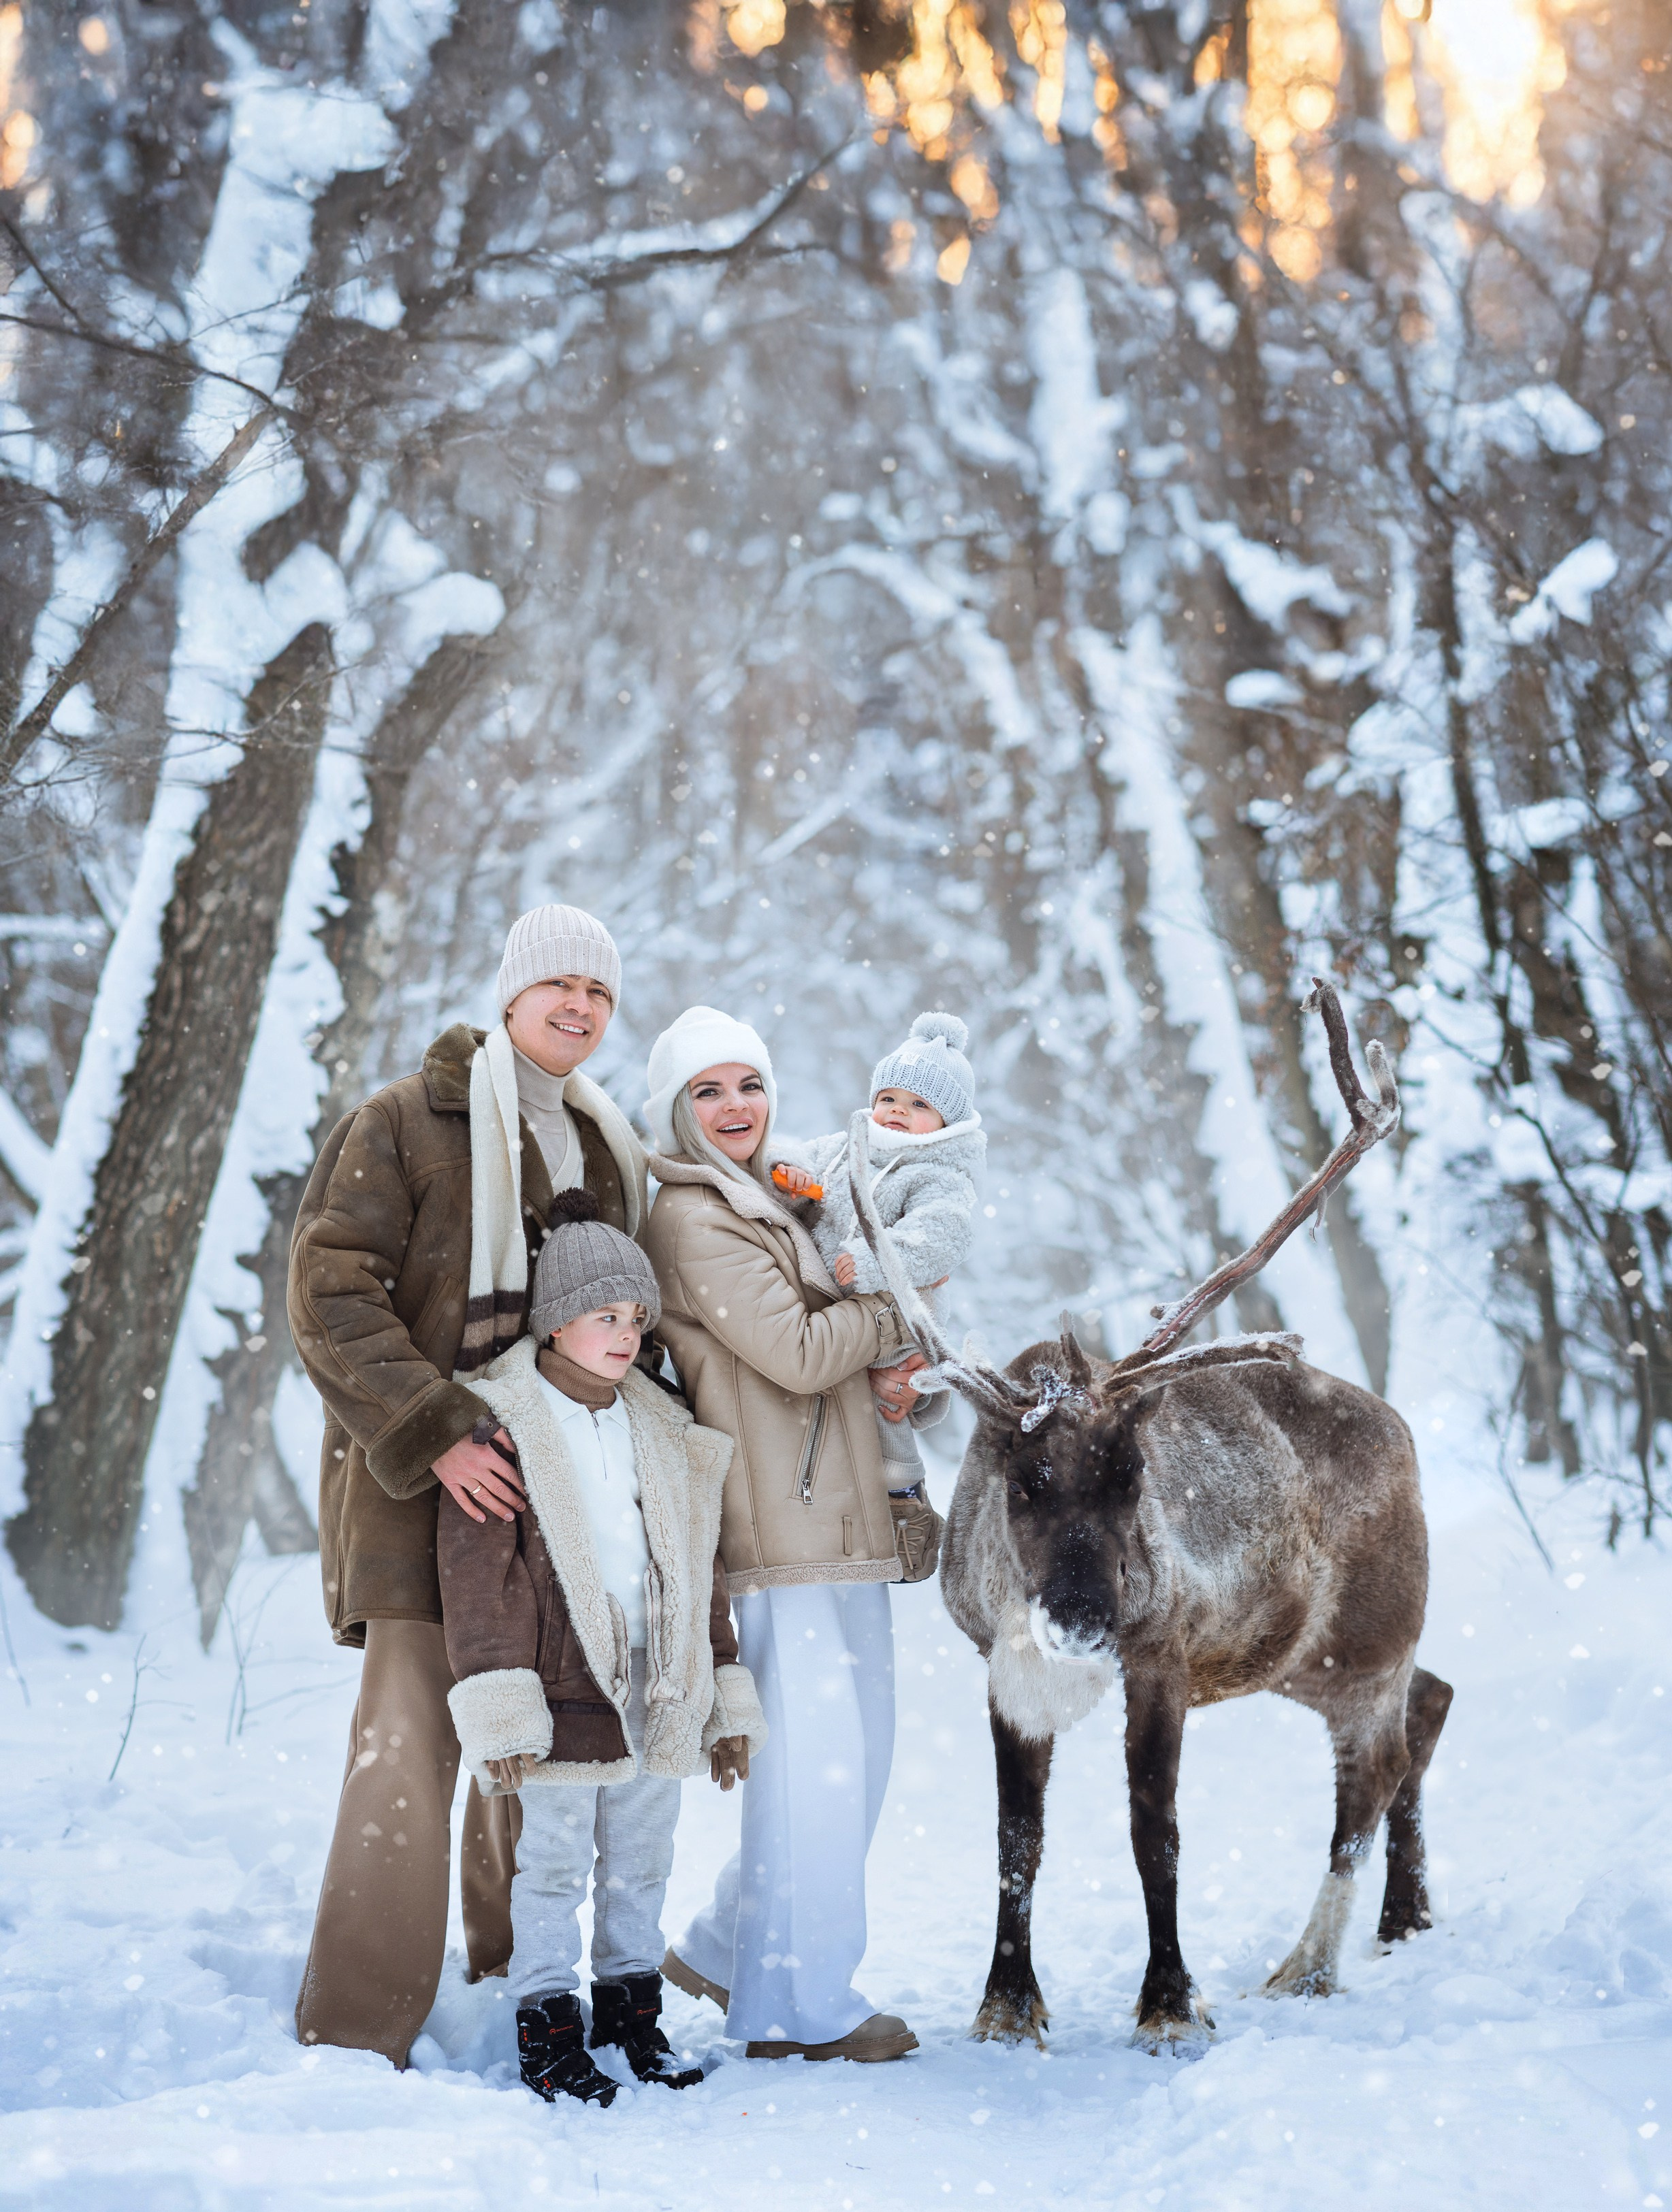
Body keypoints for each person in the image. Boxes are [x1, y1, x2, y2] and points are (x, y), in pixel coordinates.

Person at [287, 904, 647, 2067]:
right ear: (509, 995)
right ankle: (356, 2026)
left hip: (552, 1504)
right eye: (559, 985)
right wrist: (438, 1429)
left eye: (598, 990)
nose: (579, 1007)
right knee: (407, 1752)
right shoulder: (404, 1120)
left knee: (528, 1743)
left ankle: (513, 1980)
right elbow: (330, 1292)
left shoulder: (605, 1144)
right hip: (416, 1491)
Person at [640, 1007, 939, 2064]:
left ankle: (732, 1943)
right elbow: (800, 1350)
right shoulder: (691, 1214)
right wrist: (902, 1312)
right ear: (676, 1107)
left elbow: (843, 1365)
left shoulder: (777, 1195)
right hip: (776, 1520)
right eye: (709, 1091)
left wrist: (899, 1380)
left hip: (837, 1510)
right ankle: (796, 2006)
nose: (734, 1108)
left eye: (750, 1086)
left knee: (858, 1760)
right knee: (814, 1767)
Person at [440, 1192, 766, 2107]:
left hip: (654, 1684)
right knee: (550, 1864)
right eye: (603, 1318)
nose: (624, 1336)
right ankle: (548, 2023)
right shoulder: (503, 1422)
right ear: (555, 1321)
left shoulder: (659, 1424)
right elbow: (479, 1578)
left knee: (642, 1858)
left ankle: (631, 2015)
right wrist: (504, 1704)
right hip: (557, 1687)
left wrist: (720, 1696)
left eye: (634, 1319)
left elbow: (700, 1569)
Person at [769, 1009, 982, 1529]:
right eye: (888, 1098)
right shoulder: (848, 1146)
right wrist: (789, 1171)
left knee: (885, 1398)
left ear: (946, 1123)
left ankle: (901, 1490)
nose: (896, 1112)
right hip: (840, 1312)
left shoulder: (938, 1174)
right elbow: (799, 1150)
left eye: (918, 1105)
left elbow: (939, 1238)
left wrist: (871, 1263)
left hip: (896, 1316)